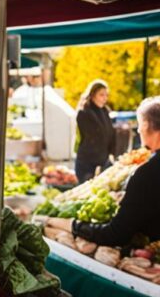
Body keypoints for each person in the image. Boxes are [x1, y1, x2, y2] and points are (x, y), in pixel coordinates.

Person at [46, 97, 160, 246]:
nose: (138, 130)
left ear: (145, 126)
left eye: (139, 125)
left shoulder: (146, 175)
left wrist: (72, 225)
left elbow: (115, 234)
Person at [74, 79, 116, 184]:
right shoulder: (84, 112)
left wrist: (112, 154)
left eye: (106, 95)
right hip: (87, 164)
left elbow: (110, 134)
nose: (105, 98)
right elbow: (95, 138)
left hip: (103, 162)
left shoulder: (105, 111)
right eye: (101, 95)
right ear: (92, 94)